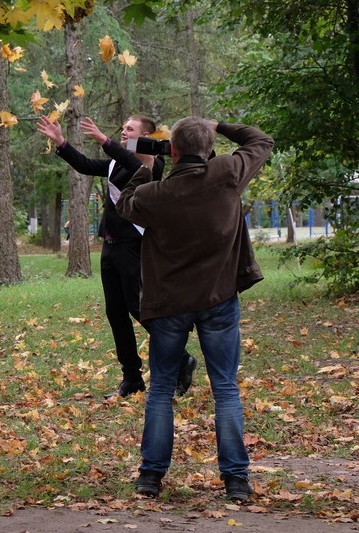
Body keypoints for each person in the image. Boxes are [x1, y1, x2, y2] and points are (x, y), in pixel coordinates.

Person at [115, 118, 273, 501]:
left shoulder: (156, 194)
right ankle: (236, 480)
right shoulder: (227, 173)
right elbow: (260, 139)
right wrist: (217, 123)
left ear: (172, 151)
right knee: (225, 388)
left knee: (161, 390)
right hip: (218, 299)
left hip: (170, 304)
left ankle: (151, 477)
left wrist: (143, 169)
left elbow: (124, 205)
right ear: (209, 148)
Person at [37, 115, 197, 399]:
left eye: (130, 129)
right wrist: (61, 142)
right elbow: (85, 165)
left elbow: (136, 167)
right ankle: (131, 378)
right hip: (110, 246)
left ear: (146, 136)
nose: (123, 131)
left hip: (133, 245)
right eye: (122, 128)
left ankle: (182, 358)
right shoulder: (114, 163)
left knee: (140, 308)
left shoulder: (152, 164)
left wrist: (103, 140)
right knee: (115, 313)